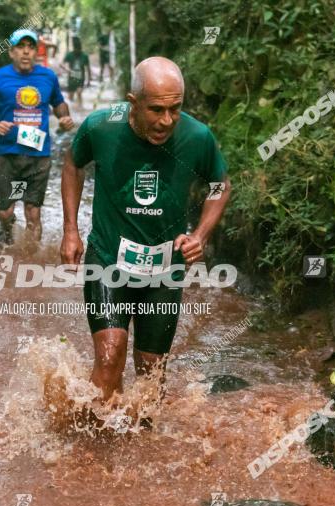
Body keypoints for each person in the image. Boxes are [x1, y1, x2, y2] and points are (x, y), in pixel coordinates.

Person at [60, 56, 231, 404]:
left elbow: (220, 185)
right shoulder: (100, 128)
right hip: (108, 259)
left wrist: (200, 235)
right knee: (110, 356)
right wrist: (70, 230)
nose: (166, 121)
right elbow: (73, 165)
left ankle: (143, 446)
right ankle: (97, 451)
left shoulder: (197, 137)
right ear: (132, 103)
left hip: (165, 269)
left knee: (151, 371)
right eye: (155, 110)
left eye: (175, 109)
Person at [0, 29, 74, 245]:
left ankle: (31, 257)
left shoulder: (48, 76)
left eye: (31, 47)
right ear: (11, 52)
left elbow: (59, 102)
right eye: (21, 47)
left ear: (36, 52)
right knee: (6, 212)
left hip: (39, 155)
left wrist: (64, 117)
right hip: (8, 154)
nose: (26, 52)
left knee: (33, 212)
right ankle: (6, 233)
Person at [62, 39, 91, 108]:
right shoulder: (70, 54)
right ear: (74, 48)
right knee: (70, 98)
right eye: (76, 49)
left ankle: (80, 108)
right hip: (71, 78)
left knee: (79, 93)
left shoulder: (84, 56)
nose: (77, 51)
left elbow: (88, 68)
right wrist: (68, 69)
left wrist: (89, 80)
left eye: (79, 49)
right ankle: (72, 111)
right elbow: (61, 64)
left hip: (81, 78)